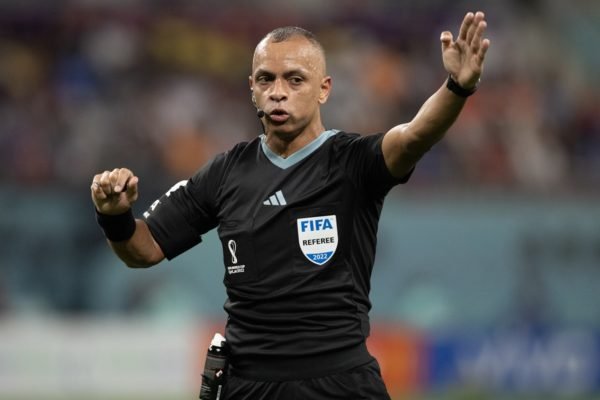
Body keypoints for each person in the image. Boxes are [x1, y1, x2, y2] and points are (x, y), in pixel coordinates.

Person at [91, 11, 490, 400]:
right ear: (252, 88)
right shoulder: (226, 172)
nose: (278, 91)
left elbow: (414, 136)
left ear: (324, 89)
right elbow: (142, 250)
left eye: (294, 79)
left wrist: (456, 87)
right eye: (266, 79)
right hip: (248, 384)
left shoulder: (351, 162)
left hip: (339, 382)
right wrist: (115, 215)